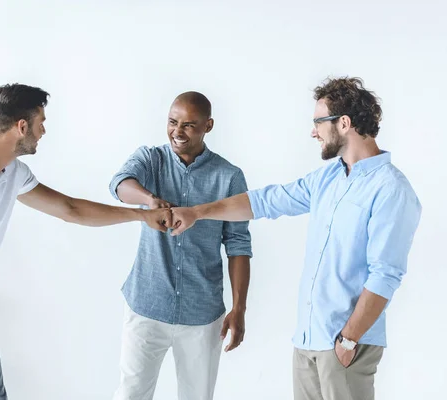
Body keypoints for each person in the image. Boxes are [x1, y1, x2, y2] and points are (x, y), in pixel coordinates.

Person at [0, 83, 173, 400]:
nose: (44, 131)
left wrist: (140, 215)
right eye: (41, 123)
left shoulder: (14, 173)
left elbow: (70, 208)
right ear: (21, 127)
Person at [170, 78, 422, 400]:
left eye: (319, 122)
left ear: (344, 123)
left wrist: (347, 340)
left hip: (346, 345)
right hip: (308, 340)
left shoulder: (391, 189)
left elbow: (386, 275)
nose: (313, 132)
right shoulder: (329, 177)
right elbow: (266, 201)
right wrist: (198, 212)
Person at [109, 92, 253, 400]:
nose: (178, 132)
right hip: (146, 305)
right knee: (131, 394)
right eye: (173, 122)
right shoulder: (152, 159)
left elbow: (238, 245)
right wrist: (149, 201)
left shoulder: (229, 177)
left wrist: (239, 308)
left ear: (208, 125)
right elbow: (120, 184)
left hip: (201, 314)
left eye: (189, 125)